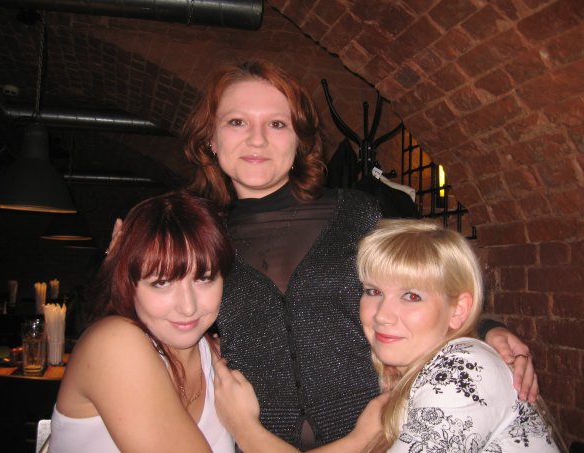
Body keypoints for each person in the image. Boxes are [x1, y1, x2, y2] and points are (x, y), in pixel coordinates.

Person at [177, 59, 539, 449]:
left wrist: (486, 330)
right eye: (237, 122)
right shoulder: (197, 238)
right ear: (210, 139)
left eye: (277, 124)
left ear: (300, 140)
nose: (257, 139)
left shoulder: (357, 213)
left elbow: (429, 288)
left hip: (383, 437)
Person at [213, 219, 563, 453]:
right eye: (373, 291)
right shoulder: (404, 374)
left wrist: (245, 429)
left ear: (458, 310)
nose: (382, 314)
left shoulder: (463, 371)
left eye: (411, 295)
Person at [49, 191, 235, 452]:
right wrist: (248, 427)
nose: (188, 307)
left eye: (204, 278)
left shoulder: (217, 358)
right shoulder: (113, 344)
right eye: (162, 282)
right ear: (128, 283)